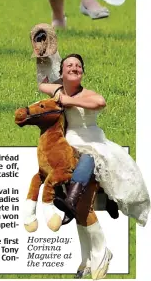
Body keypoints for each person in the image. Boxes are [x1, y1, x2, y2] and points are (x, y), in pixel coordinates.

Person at [38, 54, 149, 279]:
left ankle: (99, 250)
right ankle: (86, 258)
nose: (75, 68)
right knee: (80, 206)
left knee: (87, 165)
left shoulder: (87, 94)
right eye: (70, 65)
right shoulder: (57, 90)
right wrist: (43, 55)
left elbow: (100, 102)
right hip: (69, 146)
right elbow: (41, 84)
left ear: (82, 72)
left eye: (78, 66)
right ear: (62, 72)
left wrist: (69, 101)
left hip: (92, 143)